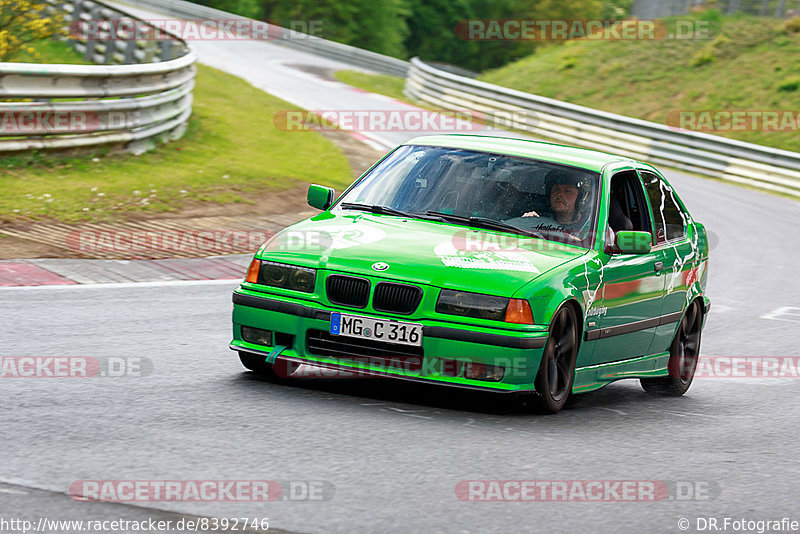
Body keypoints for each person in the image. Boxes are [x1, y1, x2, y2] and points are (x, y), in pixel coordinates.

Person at [506, 169, 593, 240]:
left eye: (567, 191)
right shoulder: (541, 219)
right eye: (556, 190)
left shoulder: (590, 225)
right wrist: (528, 223)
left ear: (580, 197)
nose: (559, 195)